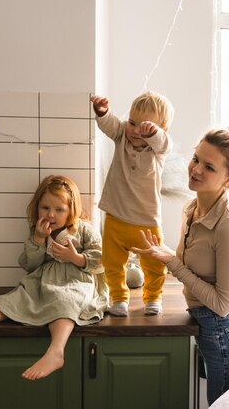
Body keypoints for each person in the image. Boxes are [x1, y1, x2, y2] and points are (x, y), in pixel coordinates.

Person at [0, 175, 109, 380]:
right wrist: (38, 238)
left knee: (65, 301)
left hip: (75, 280)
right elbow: (30, 265)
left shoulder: (84, 230)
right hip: (43, 280)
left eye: (59, 210)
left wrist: (76, 258)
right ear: (37, 207)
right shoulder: (39, 230)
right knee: (10, 300)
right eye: (45, 208)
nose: (51, 214)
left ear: (72, 210)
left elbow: (101, 261)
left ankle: (56, 352)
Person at [132, 123, 229, 404]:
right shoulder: (193, 209)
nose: (196, 169)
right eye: (196, 159)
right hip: (209, 331)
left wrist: (172, 264)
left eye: (209, 167)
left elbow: (223, 304)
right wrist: (162, 256)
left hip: (227, 339)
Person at [90, 91, 174, 316]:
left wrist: (153, 133)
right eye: (133, 122)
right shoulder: (122, 137)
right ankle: (118, 299)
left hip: (146, 222)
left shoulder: (157, 151)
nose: (137, 130)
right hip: (116, 217)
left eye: (146, 127)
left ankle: (153, 298)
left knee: (154, 265)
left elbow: (164, 143)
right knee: (112, 263)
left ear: (160, 130)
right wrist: (102, 112)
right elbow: (110, 125)